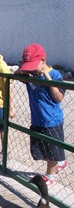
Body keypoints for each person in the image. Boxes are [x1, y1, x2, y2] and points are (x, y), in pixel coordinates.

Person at [15, 44, 68, 186]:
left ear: (43, 60)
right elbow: (16, 75)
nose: (30, 69)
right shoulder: (31, 75)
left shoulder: (56, 75)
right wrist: (24, 71)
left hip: (52, 121)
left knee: (52, 152)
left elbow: (59, 98)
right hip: (37, 120)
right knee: (38, 152)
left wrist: (47, 77)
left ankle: (50, 176)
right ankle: (59, 160)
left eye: (33, 65)